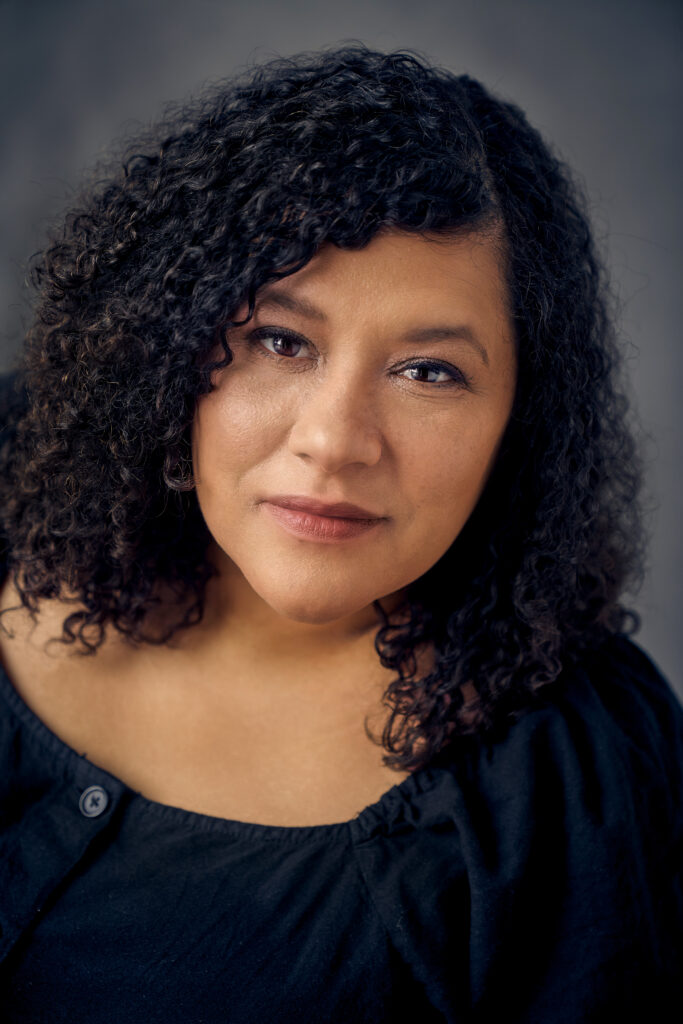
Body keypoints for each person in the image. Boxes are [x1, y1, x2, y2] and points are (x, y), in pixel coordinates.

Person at [0, 43, 680, 1023]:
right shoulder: (15, 473)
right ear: (171, 341)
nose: (333, 442)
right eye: (282, 341)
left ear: (517, 425)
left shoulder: (577, 780)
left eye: (429, 372)